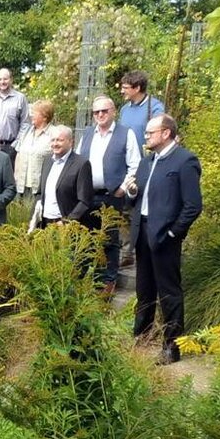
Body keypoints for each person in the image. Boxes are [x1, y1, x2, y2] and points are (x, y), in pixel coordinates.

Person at [130, 114, 202, 364]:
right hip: (143, 232)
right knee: (144, 289)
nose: (146, 136)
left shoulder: (185, 160)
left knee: (169, 292)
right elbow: (138, 198)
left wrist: (173, 233)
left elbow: (193, 206)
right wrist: (131, 191)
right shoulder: (147, 161)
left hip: (165, 236)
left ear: (166, 133)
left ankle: (171, 347)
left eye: (150, 132)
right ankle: (140, 336)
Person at [76, 95, 142, 294]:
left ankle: (108, 282)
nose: (100, 115)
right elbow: (78, 162)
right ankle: (88, 280)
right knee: (86, 237)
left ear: (113, 111)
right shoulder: (88, 134)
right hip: (87, 196)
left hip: (111, 195)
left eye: (104, 111)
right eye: (96, 112)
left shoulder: (125, 133)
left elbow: (136, 164)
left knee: (110, 240)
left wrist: (122, 188)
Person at [36, 126, 93, 228]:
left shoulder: (81, 164)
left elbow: (85, 201)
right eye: (53, 140)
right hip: (45, 223)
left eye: (60, 140)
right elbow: (40, 193)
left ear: (71, 142)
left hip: (66, 225)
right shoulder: (47, 161)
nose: (55, 144)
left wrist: (66, 222)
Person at [13, 99, 60, 200]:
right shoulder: (27, 132)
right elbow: (18, 154)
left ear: (45, 116)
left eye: (34, 113)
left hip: (40, 189)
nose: (31, 115)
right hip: (21, 187)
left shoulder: (54, 133)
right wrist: (15, 177)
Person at [0, 68, 29, 165]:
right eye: (0, 79)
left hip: (11, 147)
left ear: (11, 80)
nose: (2, 82)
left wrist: (16, 144)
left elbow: (25, 123)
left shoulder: (20, 98)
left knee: (10, 178)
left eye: (5, 79)